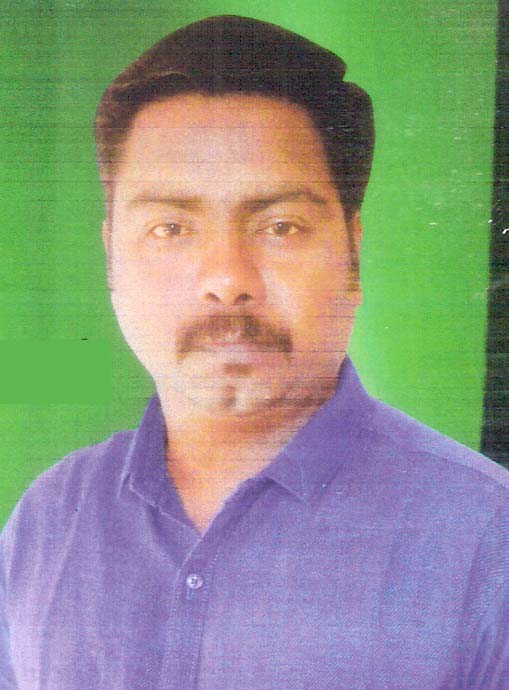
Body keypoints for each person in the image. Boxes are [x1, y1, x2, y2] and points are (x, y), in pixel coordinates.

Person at [1, 15, 508, 690]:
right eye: (170, 227)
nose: (227, 278)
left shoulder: (486, 542)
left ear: (352, 255)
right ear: (111, 258)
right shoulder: (47, 520)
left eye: (280, 226)